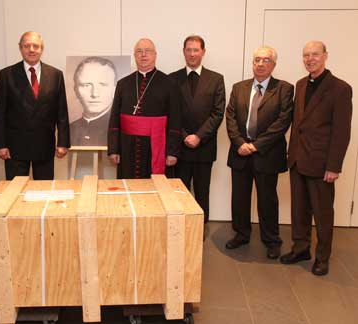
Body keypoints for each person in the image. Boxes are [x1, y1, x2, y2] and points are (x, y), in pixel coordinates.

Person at [280, 41, 352, 276]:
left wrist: (334, 166)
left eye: (315, 55)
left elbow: (342, 132)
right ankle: (301, 248)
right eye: (306, 55)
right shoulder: (301, 85)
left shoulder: (340, 88)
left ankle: (322, 257)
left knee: (322, 213)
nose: (310, 59)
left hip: (321, 164)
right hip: (298, 159)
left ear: (325, 56)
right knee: (299, 209)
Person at [225, 46, 294, 259]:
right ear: (252, 63)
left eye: (266, 60)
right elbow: (230, 118)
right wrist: (240, 143)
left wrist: (256, 145)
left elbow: (282, 122)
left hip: (267, 154)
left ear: (273, 64)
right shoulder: (239, 87)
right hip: (240, 152)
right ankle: (241, 233)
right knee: (240, 198)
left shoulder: (284, 89)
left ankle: (271, 239)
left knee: (267, 200)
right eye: (257, 60)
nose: (261, 64)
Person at [0, 31, 70, 180]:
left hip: (45, 145)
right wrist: (0, 144)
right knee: (15, 191)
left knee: (44, 191)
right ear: (20, 48)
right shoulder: (6, 74)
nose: (31, 50)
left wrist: (63, 142)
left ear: (42, 49)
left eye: (36, 46)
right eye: (27, 46)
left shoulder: (55, 75)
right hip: (15, 147)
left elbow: (62, 113)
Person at [169, 35, 225, 224]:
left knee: (202, 193)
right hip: (180, 148)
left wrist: (198, 136)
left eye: (196, 50)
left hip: (204, 148)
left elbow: (218, 113)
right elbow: (170, 113)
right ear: (183, 52)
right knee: (178, 193)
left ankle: (200, 229)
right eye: (188, 50)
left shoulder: (216, 79)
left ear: (203, 52)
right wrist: (185, 136)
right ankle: (179, 229)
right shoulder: (172, 79)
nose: (192, 54)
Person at [108, 38, 181, 178]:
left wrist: (172, 152)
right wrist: (113, 149)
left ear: (155, 55)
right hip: (127, 146)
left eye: (148, 51)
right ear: (135, 56)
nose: (143, 55)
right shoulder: (123, 84)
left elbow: (175, 120)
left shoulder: (169, 84)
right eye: (139, 51)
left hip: (156, 147)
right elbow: (114, 119)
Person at [70, 56, 117, 146]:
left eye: (103, 85)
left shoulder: (122, 129)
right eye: (86, 85)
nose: (94, 94)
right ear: (76, 90)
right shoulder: (69, 130)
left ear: (115, 90)